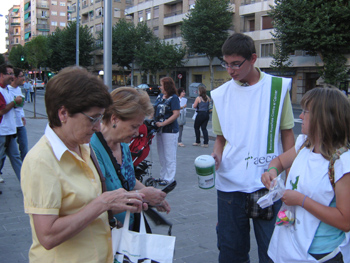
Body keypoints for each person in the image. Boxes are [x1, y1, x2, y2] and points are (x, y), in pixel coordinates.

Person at [21, 66, 146, 262]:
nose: (97, 127)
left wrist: (124, 201)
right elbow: (47, 235)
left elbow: (90, 210)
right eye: (93, 118)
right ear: (63, 114)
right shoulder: (41, 161)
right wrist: (102, 203)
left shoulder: (84, 149)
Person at [210, 33, 295, 263]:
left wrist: (289, 177)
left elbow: (288, 134)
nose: (230, 70)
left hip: (268, 184)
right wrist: (216, 156)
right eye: (226, 64)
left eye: (236, 64)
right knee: (231, 253)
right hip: (230, 185)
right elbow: (220, 138)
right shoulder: (220, 95)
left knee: (273, 252)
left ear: (253, 58)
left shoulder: (277, 87)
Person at [261, 87, 350, 263]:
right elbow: (278, 161)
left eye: (305, 112)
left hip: (318, 255)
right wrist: (271, 172)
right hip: (286, 246)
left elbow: (345, 221)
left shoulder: (342, 163)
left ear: (323, 118)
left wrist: (301, 200)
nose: (300, 116)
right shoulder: (304, 144)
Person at [90, 87, 171, 228]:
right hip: (107, 233)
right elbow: (94, 206)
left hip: (128, 226)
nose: (136, 133)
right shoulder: (92, 149)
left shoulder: (123, 145)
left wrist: (152, 195)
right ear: (114, 118)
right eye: (133, 126)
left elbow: (129, 180)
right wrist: (141, 195)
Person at [154, 77, 180, 186]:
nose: (160, 87)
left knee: (169, 154)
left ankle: (169, 178)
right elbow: (154, 109)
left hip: (170, 130)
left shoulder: (174, 98)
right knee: (161, 154)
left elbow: (176, 114)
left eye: (162, 85)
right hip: (159, 129)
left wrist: (163, 123)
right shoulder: (160, 96)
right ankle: (163, 175)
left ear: (167, 86)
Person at [0, 64, 23, 183]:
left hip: (10, 131)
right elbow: (2, 110)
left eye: (12, 74)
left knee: (15, 157)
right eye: (9, 74)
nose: (12, 76)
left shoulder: (7, 89)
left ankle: (26, 185)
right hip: (2, 131)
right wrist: (14, 102)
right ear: (1, 75)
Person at [8, 68, 28, 161]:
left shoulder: (19, 90)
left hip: (19, 122)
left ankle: (25, 169)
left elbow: (20, 107)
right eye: (21, 76)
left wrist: (23, 116)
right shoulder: (7, 89)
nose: (23, 78)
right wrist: (15, 103)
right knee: (6, 150)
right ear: (15, 77)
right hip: (10, 123)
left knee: (24, 146)